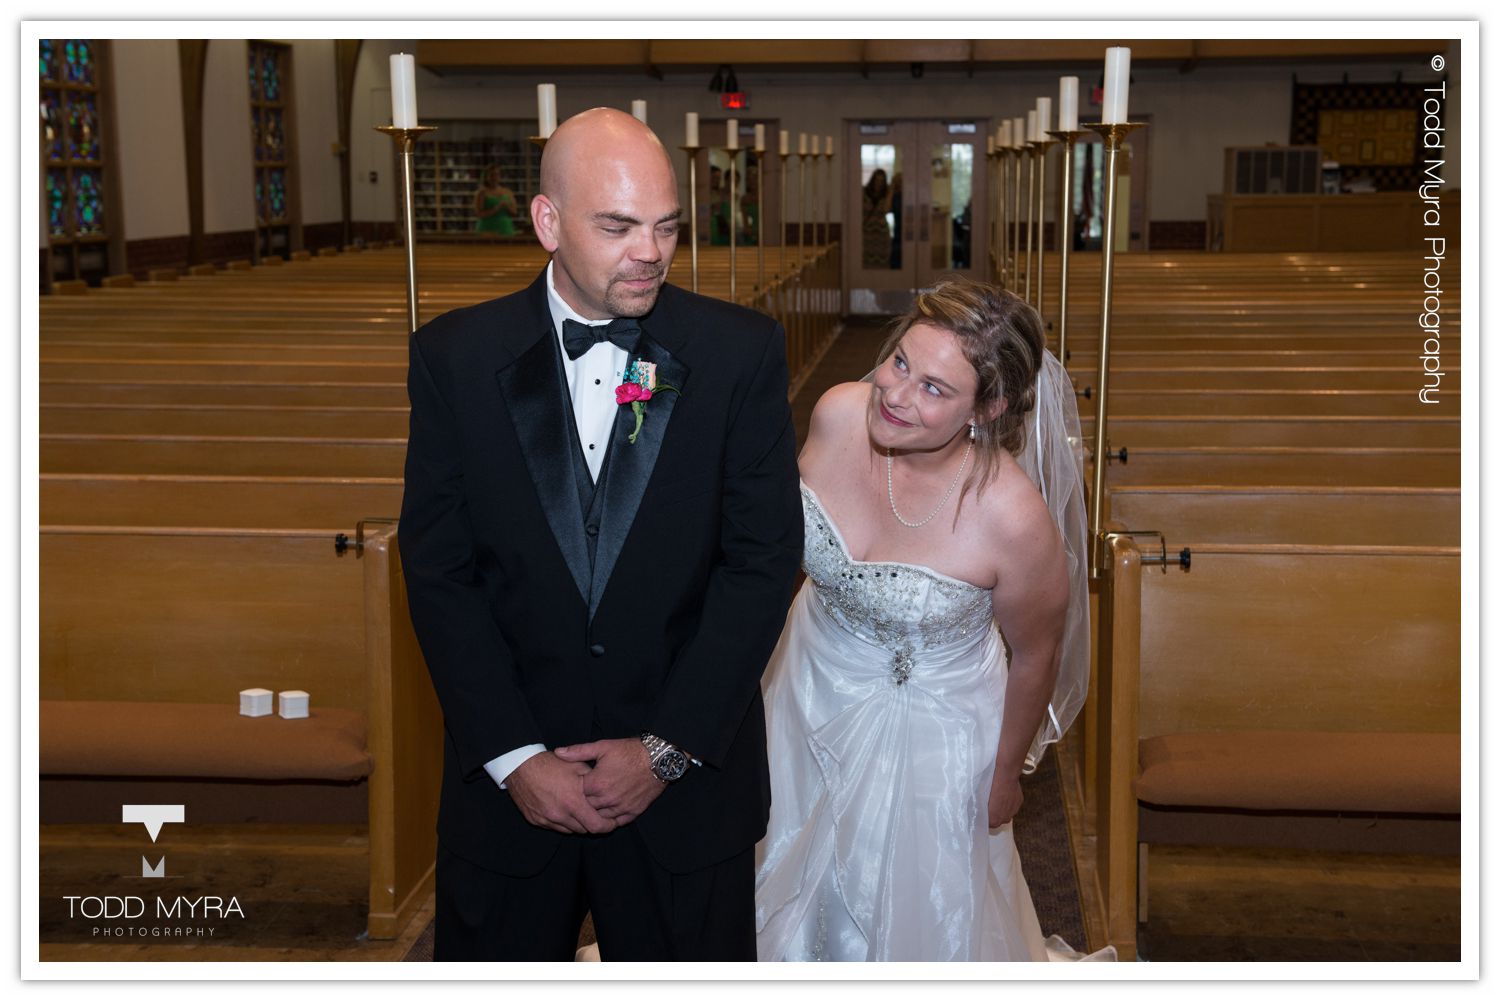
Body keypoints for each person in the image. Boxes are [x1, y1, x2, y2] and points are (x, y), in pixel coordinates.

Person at [399, 107, 803, 961]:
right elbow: (440, 569)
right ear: (548, 222)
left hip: (684, 794)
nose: (650, 252)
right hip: (509, 792)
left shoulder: (739, 354)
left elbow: (762, 564)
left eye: (667, 226)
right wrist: (515, 755)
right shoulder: (454, 358)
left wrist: (664, 750)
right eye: (618, 226)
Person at [754, 278, 1101, 962]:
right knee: (778, 864)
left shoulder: (1013, 518)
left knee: (911, 905)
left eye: (934, 389)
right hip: (807, 679)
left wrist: (1006, 775)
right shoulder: (837, 414)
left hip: (935, 728)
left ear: (987, 408)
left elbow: (1037, 655)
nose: (895, 393)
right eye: (900, 361)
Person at [861, 169, 893, 269]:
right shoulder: (864, 192)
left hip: (882, 232)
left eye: (882, 181)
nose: (879, 183)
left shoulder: (886, 193)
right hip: (867, 231)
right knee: (866, 260)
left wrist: (890, 193)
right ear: (873, 180)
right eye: (877, 180)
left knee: (882, 260)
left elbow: (886, 210)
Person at [473, 164, 518, 235]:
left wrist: (507, 206)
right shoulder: (481, 193)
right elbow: (479, 214)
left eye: (497, 174)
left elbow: (514, 212)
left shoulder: (508, 192)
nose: (494, 177)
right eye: (491, 175)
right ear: (486, 177)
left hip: (505, 229)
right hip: (486, 230)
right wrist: (496, 208)